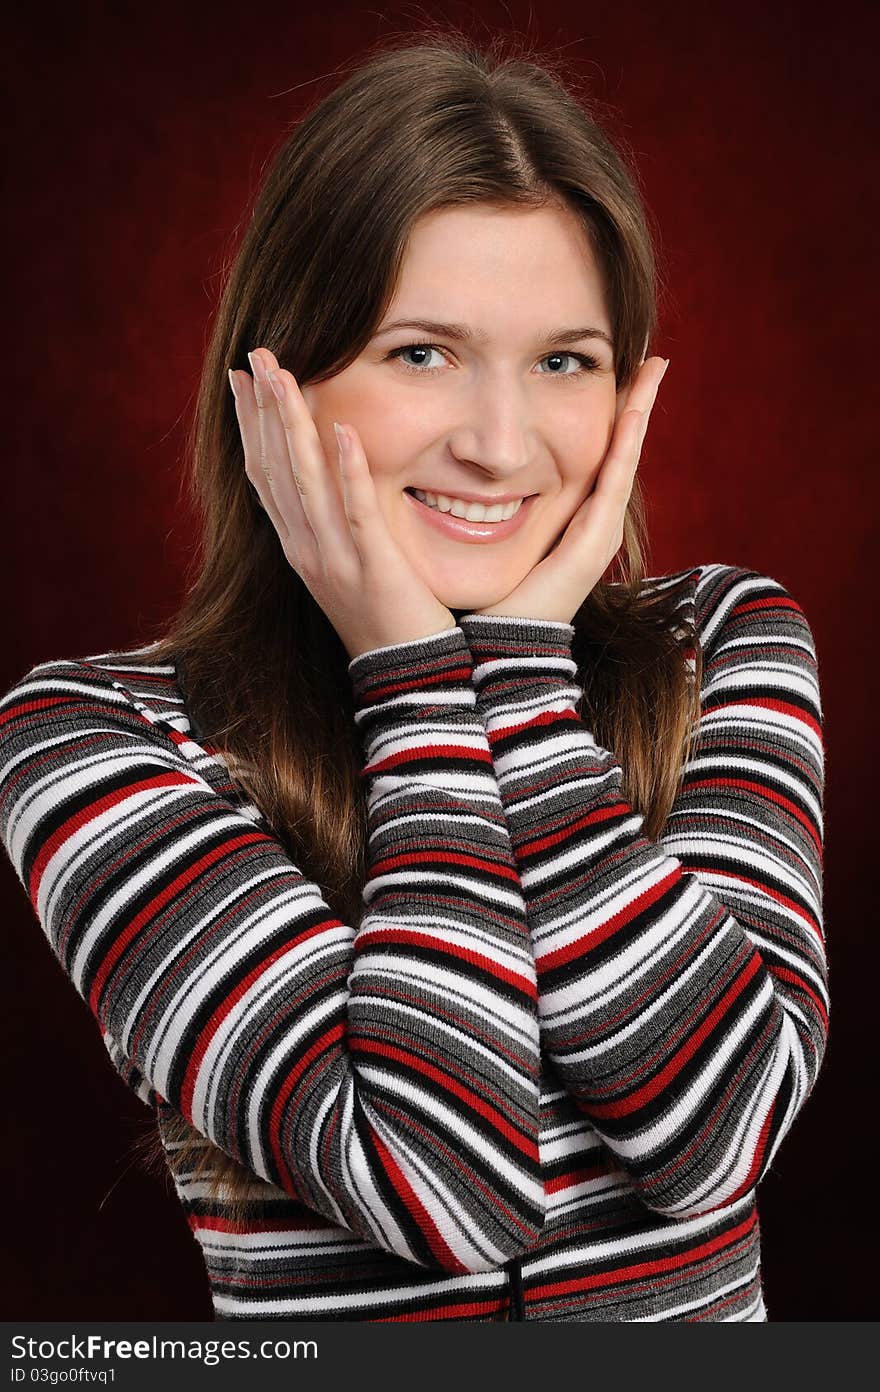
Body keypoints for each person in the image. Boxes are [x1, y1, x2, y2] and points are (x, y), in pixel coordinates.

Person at [0, 29, 826, 1323]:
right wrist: (418, 676)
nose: (500, 447)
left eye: (564, 360)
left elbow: (717, 1140)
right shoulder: (96, 736)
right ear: (274, 379)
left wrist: (521, 680)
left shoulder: (716, 648)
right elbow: (450, 1188)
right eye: (421, 351)